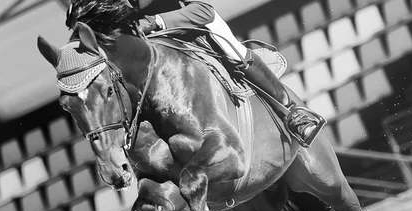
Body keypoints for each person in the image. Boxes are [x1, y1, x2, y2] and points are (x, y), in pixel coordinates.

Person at [135, 0, 325, 147]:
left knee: (235, 53)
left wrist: (156, 22)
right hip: (147, 48)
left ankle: (292, 113)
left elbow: (203, 10)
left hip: (188, 26)